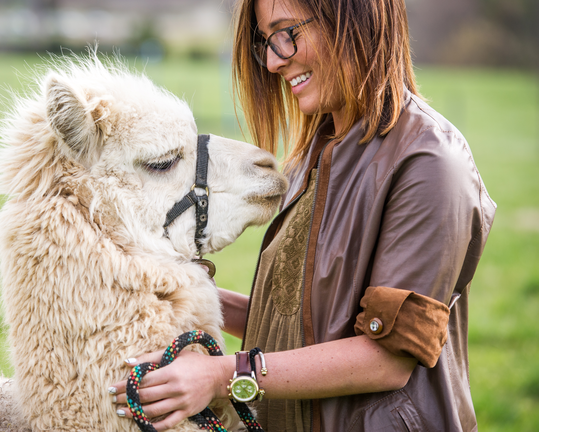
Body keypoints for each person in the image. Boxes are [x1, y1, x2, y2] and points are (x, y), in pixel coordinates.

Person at [110, 0, 496, 430]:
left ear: (354, 17)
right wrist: (172, 290)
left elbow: (388, 358)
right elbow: (308, 319)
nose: (274, 61)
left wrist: (224, 375)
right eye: (266, 42)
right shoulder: (313, 158)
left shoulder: (429, 163)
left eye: (286, 33)